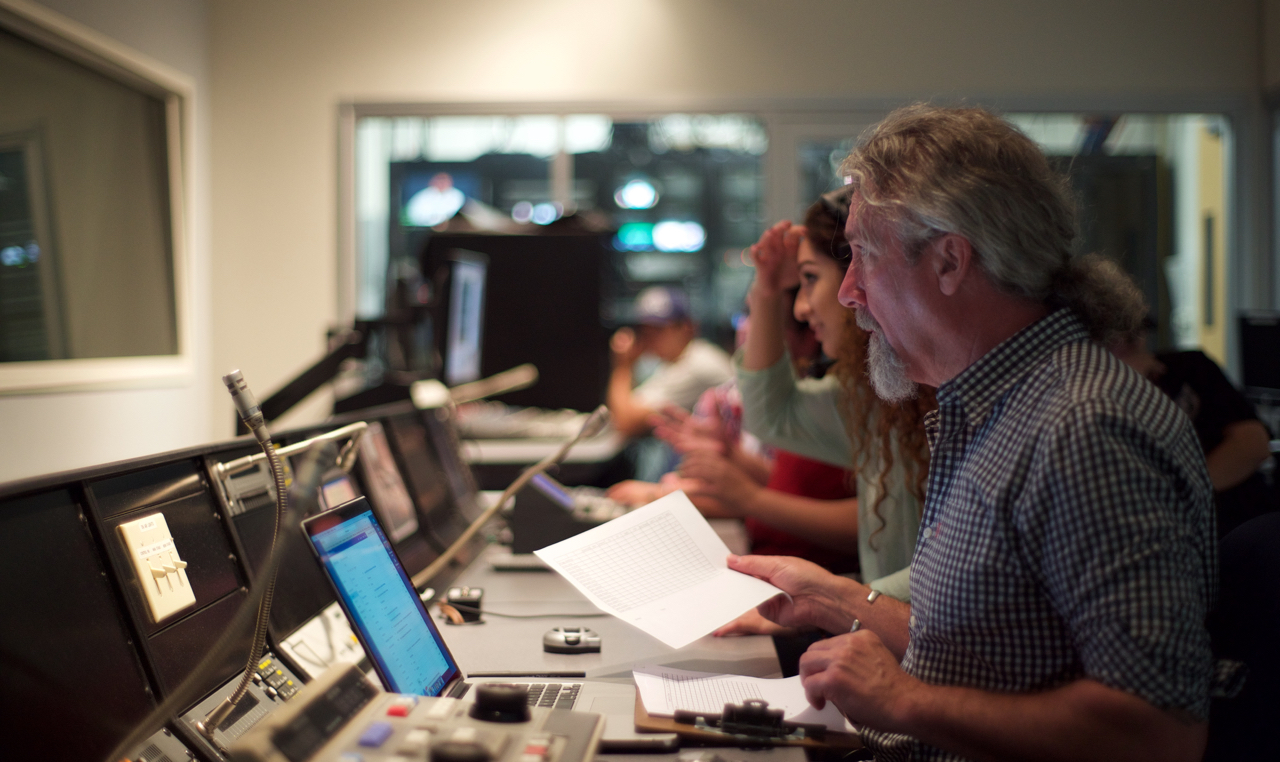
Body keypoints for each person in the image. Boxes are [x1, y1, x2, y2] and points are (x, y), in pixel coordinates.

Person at [729, 104, 1222, 762]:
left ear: (950, 262)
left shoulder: (1085, 429)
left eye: (865, 256)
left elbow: (1158, 732)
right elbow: (983, 649)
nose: (849, 293)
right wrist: (834, 596)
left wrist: (903, 701)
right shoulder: (990, 408)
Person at [726, 185, 935, 603]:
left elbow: (950, 580)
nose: (802, 309)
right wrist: (766, 292)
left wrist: (834, 603)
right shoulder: (877, 399)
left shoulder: (938, 397)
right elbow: (771, 416)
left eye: (809, 280)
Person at [1110, 322, 1276, 537]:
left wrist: (1185, 495)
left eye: (1133, 327)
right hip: (1166, 533)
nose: (1127, 337)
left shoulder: (1191, 366)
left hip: (1239, 516)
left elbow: (1254, 444)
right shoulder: (1097, 399)